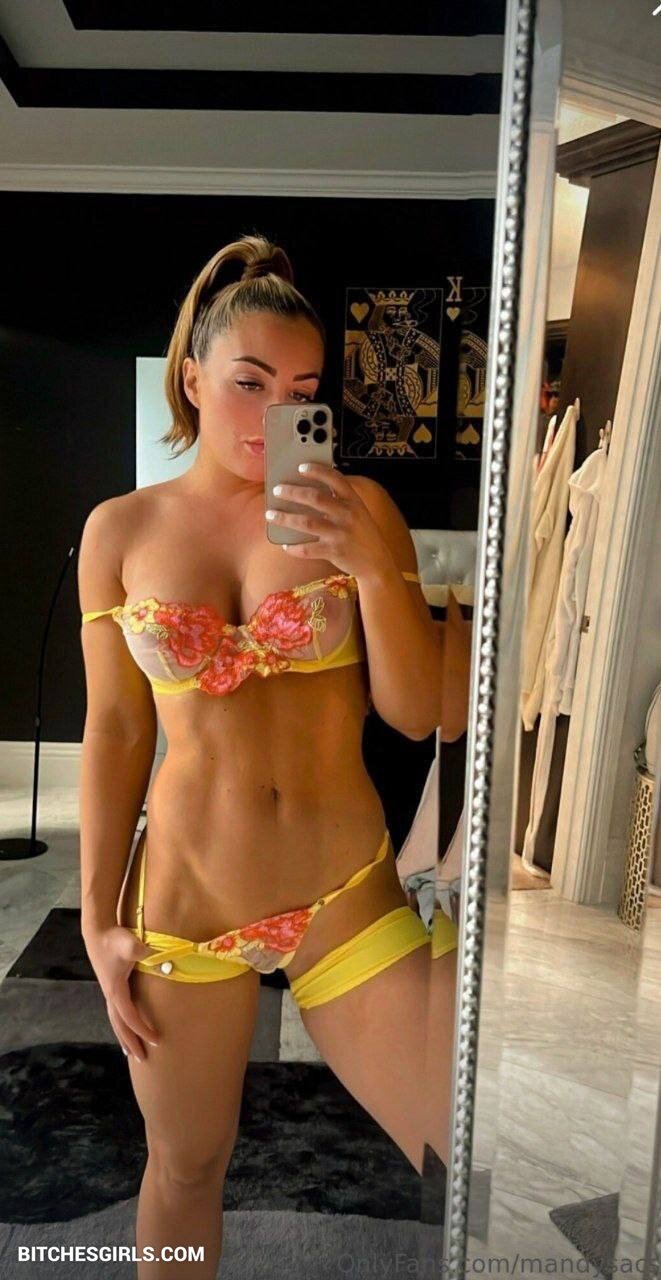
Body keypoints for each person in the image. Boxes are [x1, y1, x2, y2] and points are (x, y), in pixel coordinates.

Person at [78, 233, 459, 1278]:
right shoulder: (120, 530)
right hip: (184, 902)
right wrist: (96, 918)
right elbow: (117, 731)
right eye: (248, 382)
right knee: (185, 1165)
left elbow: (414, 712)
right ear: (192, 379)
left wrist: (373, 570)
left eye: (301, 391)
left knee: (461, 1141)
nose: (273, 413)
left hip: (344, 892)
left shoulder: (357, 510)